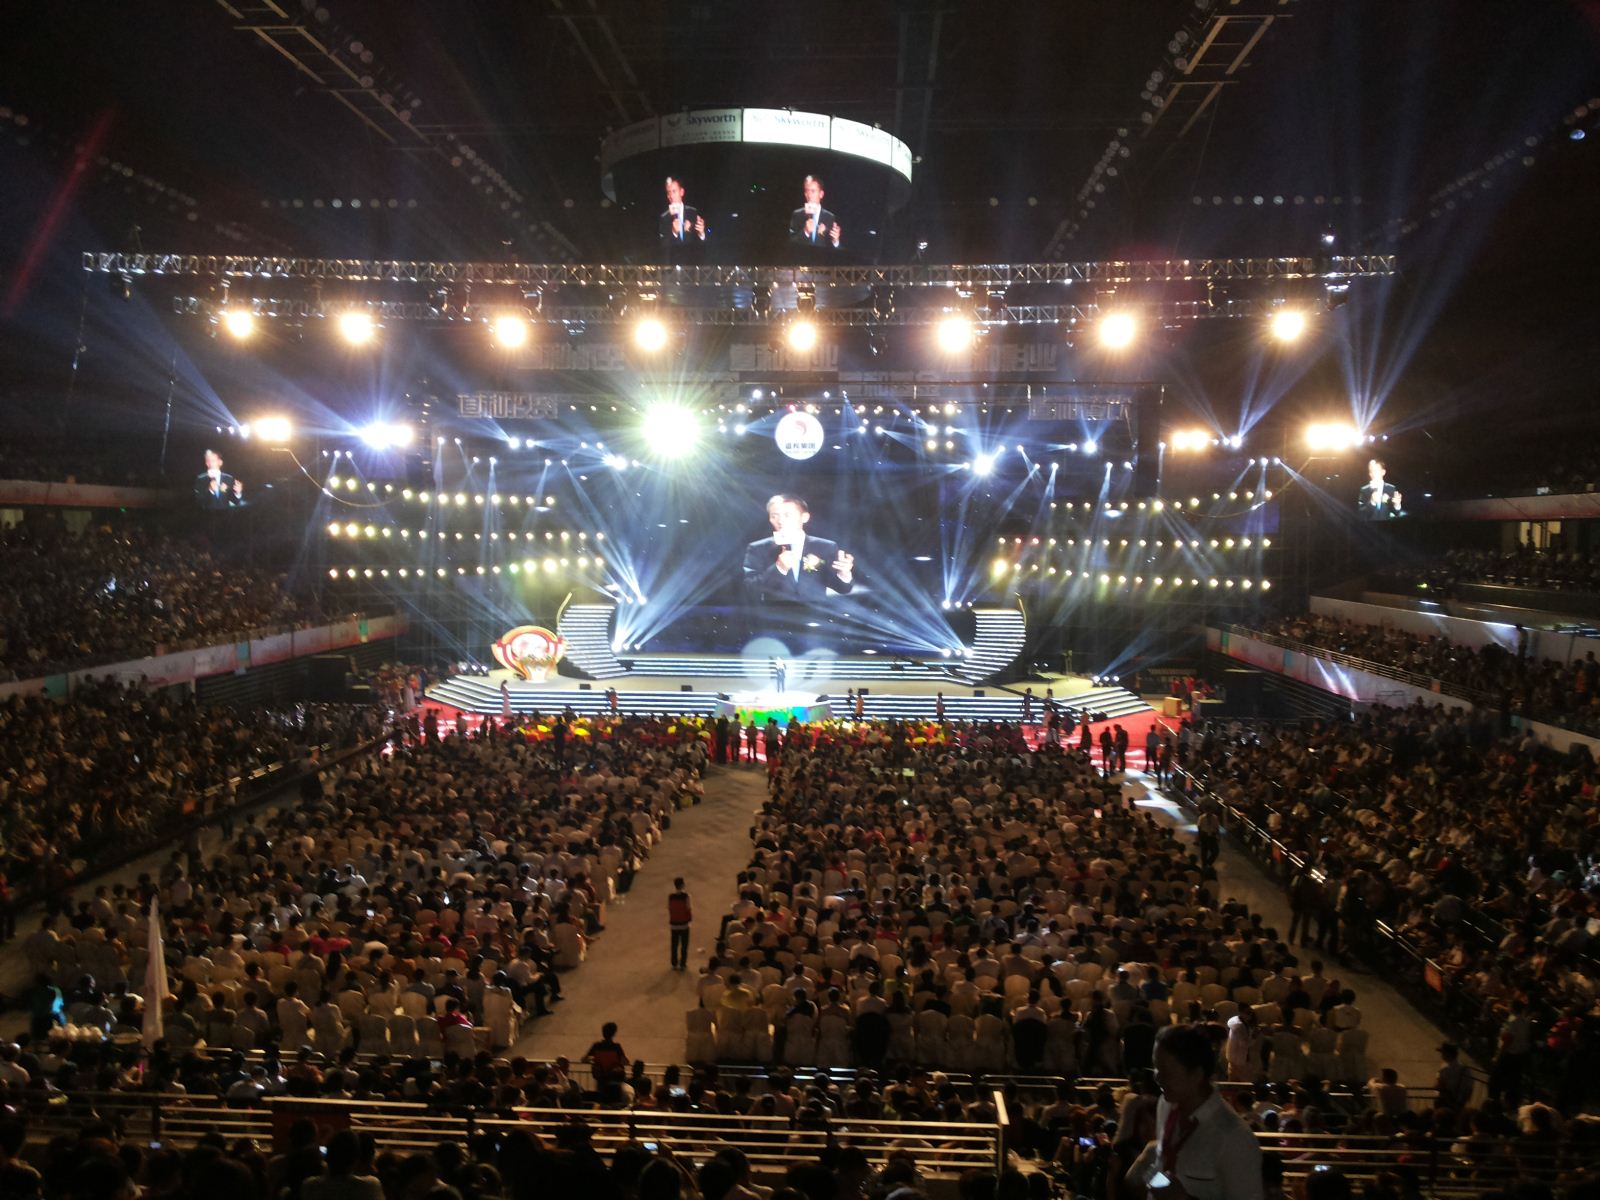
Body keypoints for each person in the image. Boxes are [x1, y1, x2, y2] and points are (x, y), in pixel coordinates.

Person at [1129, 1024, 1263, 1199]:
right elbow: (1163, 1163)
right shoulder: (1165, 1105)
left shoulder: (1233, 1136)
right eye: (1155, 1067)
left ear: (1197, 1075)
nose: (1157, 1077)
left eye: (1166, 1071)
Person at [742, 494, 855, 603]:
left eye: (787, 515)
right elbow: (750, 588)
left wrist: (844, 574)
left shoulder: (825, 546)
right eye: (774, 516)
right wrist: (779, 568)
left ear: (804, 517)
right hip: (774, 612)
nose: (780, 521)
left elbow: (843, 589)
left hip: (815, 612)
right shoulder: (758, 548)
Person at [788, 174, 841, 249]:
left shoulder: (830, 217)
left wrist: (835, 241)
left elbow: (833, 249)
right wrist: (805, 232)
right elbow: (790, 243)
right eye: (807, 191)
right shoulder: (797, 214)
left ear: (821, 194)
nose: (809, 195)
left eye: (813, 191)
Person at [658, 175, 707, 254]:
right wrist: (674, 232)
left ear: (682, 192)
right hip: (673, 260)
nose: (671, 196)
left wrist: (701, 234)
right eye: (669, 192)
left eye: (674, 191)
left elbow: (702, 245)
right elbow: (662, 247)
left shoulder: (693, 212)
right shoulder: (664, 217)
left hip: (692, 259)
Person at [667, 877, 693, 971]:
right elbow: (688, 909)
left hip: (674, 925)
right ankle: (682, 964)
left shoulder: (671, 897)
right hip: (684, 925)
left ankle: (674, 963)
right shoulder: (686, 896)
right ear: (682, 885)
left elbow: (669, 908)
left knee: (674, 945)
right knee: (684, 945)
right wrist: (690, 919)